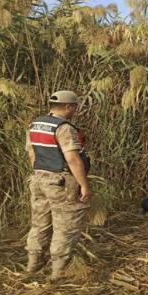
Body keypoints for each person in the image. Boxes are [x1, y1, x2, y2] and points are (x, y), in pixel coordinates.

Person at [25, 90, 92, 281]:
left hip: (38, 179)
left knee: (39, 223)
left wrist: (40, 173)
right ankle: (58, 270)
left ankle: (33, 263)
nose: (76, 110)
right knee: (65, 225)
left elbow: (32, 154)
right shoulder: (64, 128)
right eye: (75, 107)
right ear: (68, 106)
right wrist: (84, 185)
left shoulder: (35, 125)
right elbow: (72, 159)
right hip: (60, 181)